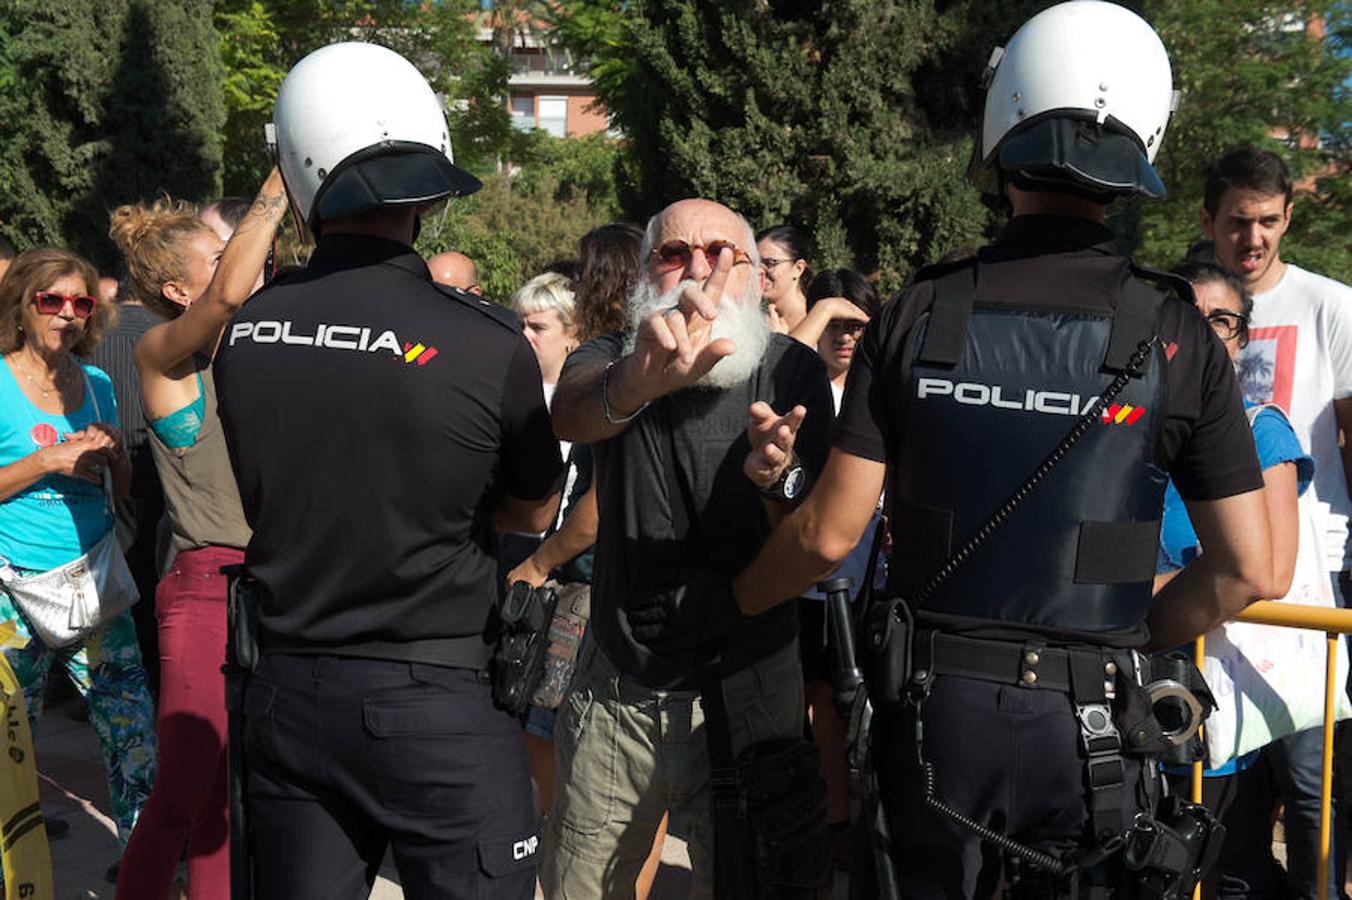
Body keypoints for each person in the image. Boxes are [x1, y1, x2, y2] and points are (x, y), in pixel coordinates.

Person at [732, 3, 1274, 896]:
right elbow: (1249, 570)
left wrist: (736, 597)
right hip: (1097, 728)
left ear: (1005, 122)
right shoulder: (1176, 331)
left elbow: (829, 536)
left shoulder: (922, 310)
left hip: (935, 725)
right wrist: (1129, 634)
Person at [213, 42, 560, 898]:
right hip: (435, 697)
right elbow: (532, 507)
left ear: (299, 175)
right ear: (427, 189)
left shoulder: (249, 332)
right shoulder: (486, 341)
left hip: (287, 687)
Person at [540, 197, 835, 898]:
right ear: (647, 272)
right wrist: (634, 385)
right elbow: (570, 409)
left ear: (756, 276)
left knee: (751, 879)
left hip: (752, 687)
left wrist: (777, 478)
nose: (696, 271)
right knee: (583, 881)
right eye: (673, 254)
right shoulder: (613, 356)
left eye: (718, 253)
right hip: (620, 685)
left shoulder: (792, 372)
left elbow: (812, 524)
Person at [111, 172, 287, 900]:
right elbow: (229, 294)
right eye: (217, 255)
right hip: (201, 590)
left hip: (261, 585)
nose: (236, 263)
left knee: (222, 800)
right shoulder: (159, 353)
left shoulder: (235, 355)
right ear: (181, 293)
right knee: (182, 791)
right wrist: (283, 174)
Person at [1200, 147, 1352, 900]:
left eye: (1267, 221)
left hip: (1312, 592)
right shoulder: (1188, 304)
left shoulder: (1332, 306)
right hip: (1216, 584)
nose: (1252, 237)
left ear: (1289, 217)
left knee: (1314, 791)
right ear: (1209, 222)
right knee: (1231, 800)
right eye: (1237, 221)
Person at [1157, 262, 1315, 899]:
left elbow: (1269, 572)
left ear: (1243, 336)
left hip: (1219, 679)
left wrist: (1146, 591)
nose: (1205, 333)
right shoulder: (1130, 423)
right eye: (1190, 320)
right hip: (1143, 674)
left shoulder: (1260, 429)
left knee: (1228, 864)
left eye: (1221, 320)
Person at [0, 247, 157, 884]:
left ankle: (147, 867)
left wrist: (114, 455)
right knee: (10, 740)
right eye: (52, 301)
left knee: (133, 733)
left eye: (80, 303)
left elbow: (116, 488)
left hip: (93, 582)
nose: (67, 315)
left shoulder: (97, 384)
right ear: (23, 304)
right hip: (12, 590)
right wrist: (47, 461)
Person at [90, 270, 167, 697]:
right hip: (160, 465)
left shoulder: (93, 336)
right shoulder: (172, 333)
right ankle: (150, 677)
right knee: (153, 570)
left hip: (106, 469)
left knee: (116, 577)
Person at [756, 224, 813, 333]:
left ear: (798, 268)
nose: (759, 271)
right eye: (756, 263)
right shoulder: (757, 322)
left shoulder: (819, 323)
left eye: (770, 263)